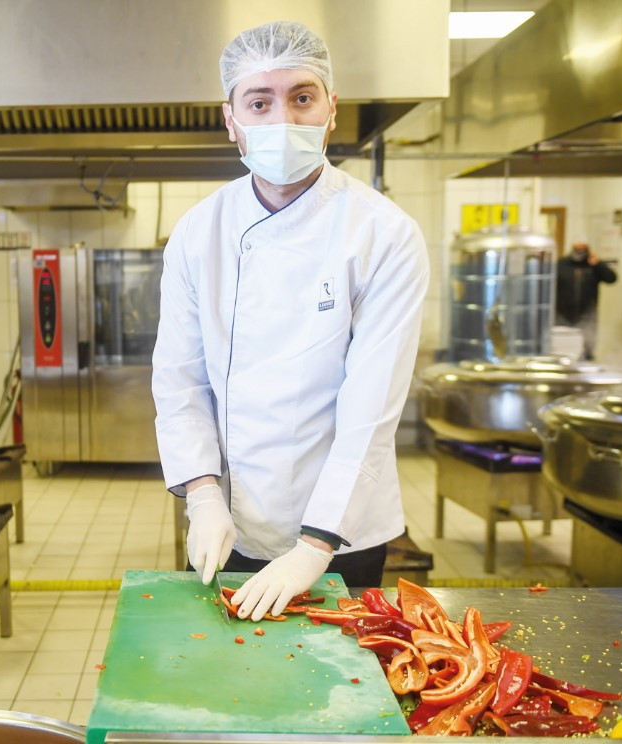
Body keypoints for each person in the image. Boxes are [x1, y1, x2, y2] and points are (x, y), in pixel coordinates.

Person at [152, 21, 429, 622]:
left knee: (336, 674)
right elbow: (180, 381)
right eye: (260, 102)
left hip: (343, 528)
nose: (283, 119)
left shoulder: (384, 234)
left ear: (332, 110)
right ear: (231, 120)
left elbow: (372, 407)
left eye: (302, 97)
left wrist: (314, 547)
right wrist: (201, 496)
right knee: (226, 667)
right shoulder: (199, 233)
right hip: (230, 518)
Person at [555, 238, 617, 360]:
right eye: (577, 249)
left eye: (583, 249)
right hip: (562, 316)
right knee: (562, 350)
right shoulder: (561, 265)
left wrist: (598, 265)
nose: (580, 252)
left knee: (586, 350)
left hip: (588, 316)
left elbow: (612, 278)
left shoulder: (594, 266)